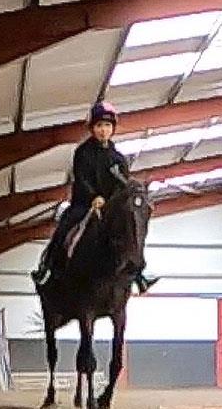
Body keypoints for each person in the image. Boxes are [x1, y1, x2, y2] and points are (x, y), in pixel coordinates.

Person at [31, 103, 155, 293]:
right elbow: (81, 179)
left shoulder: (119, 159)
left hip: (110, 207)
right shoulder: (83, 153)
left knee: (132, 229)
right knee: (64, 226)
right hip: (84, 204)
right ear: (92, 128)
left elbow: (122, 186)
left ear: (112, 128)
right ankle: (46, 267)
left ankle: (138, 274)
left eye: (107, 126)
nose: (103, 130)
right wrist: (93, 197)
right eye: (99, 126)